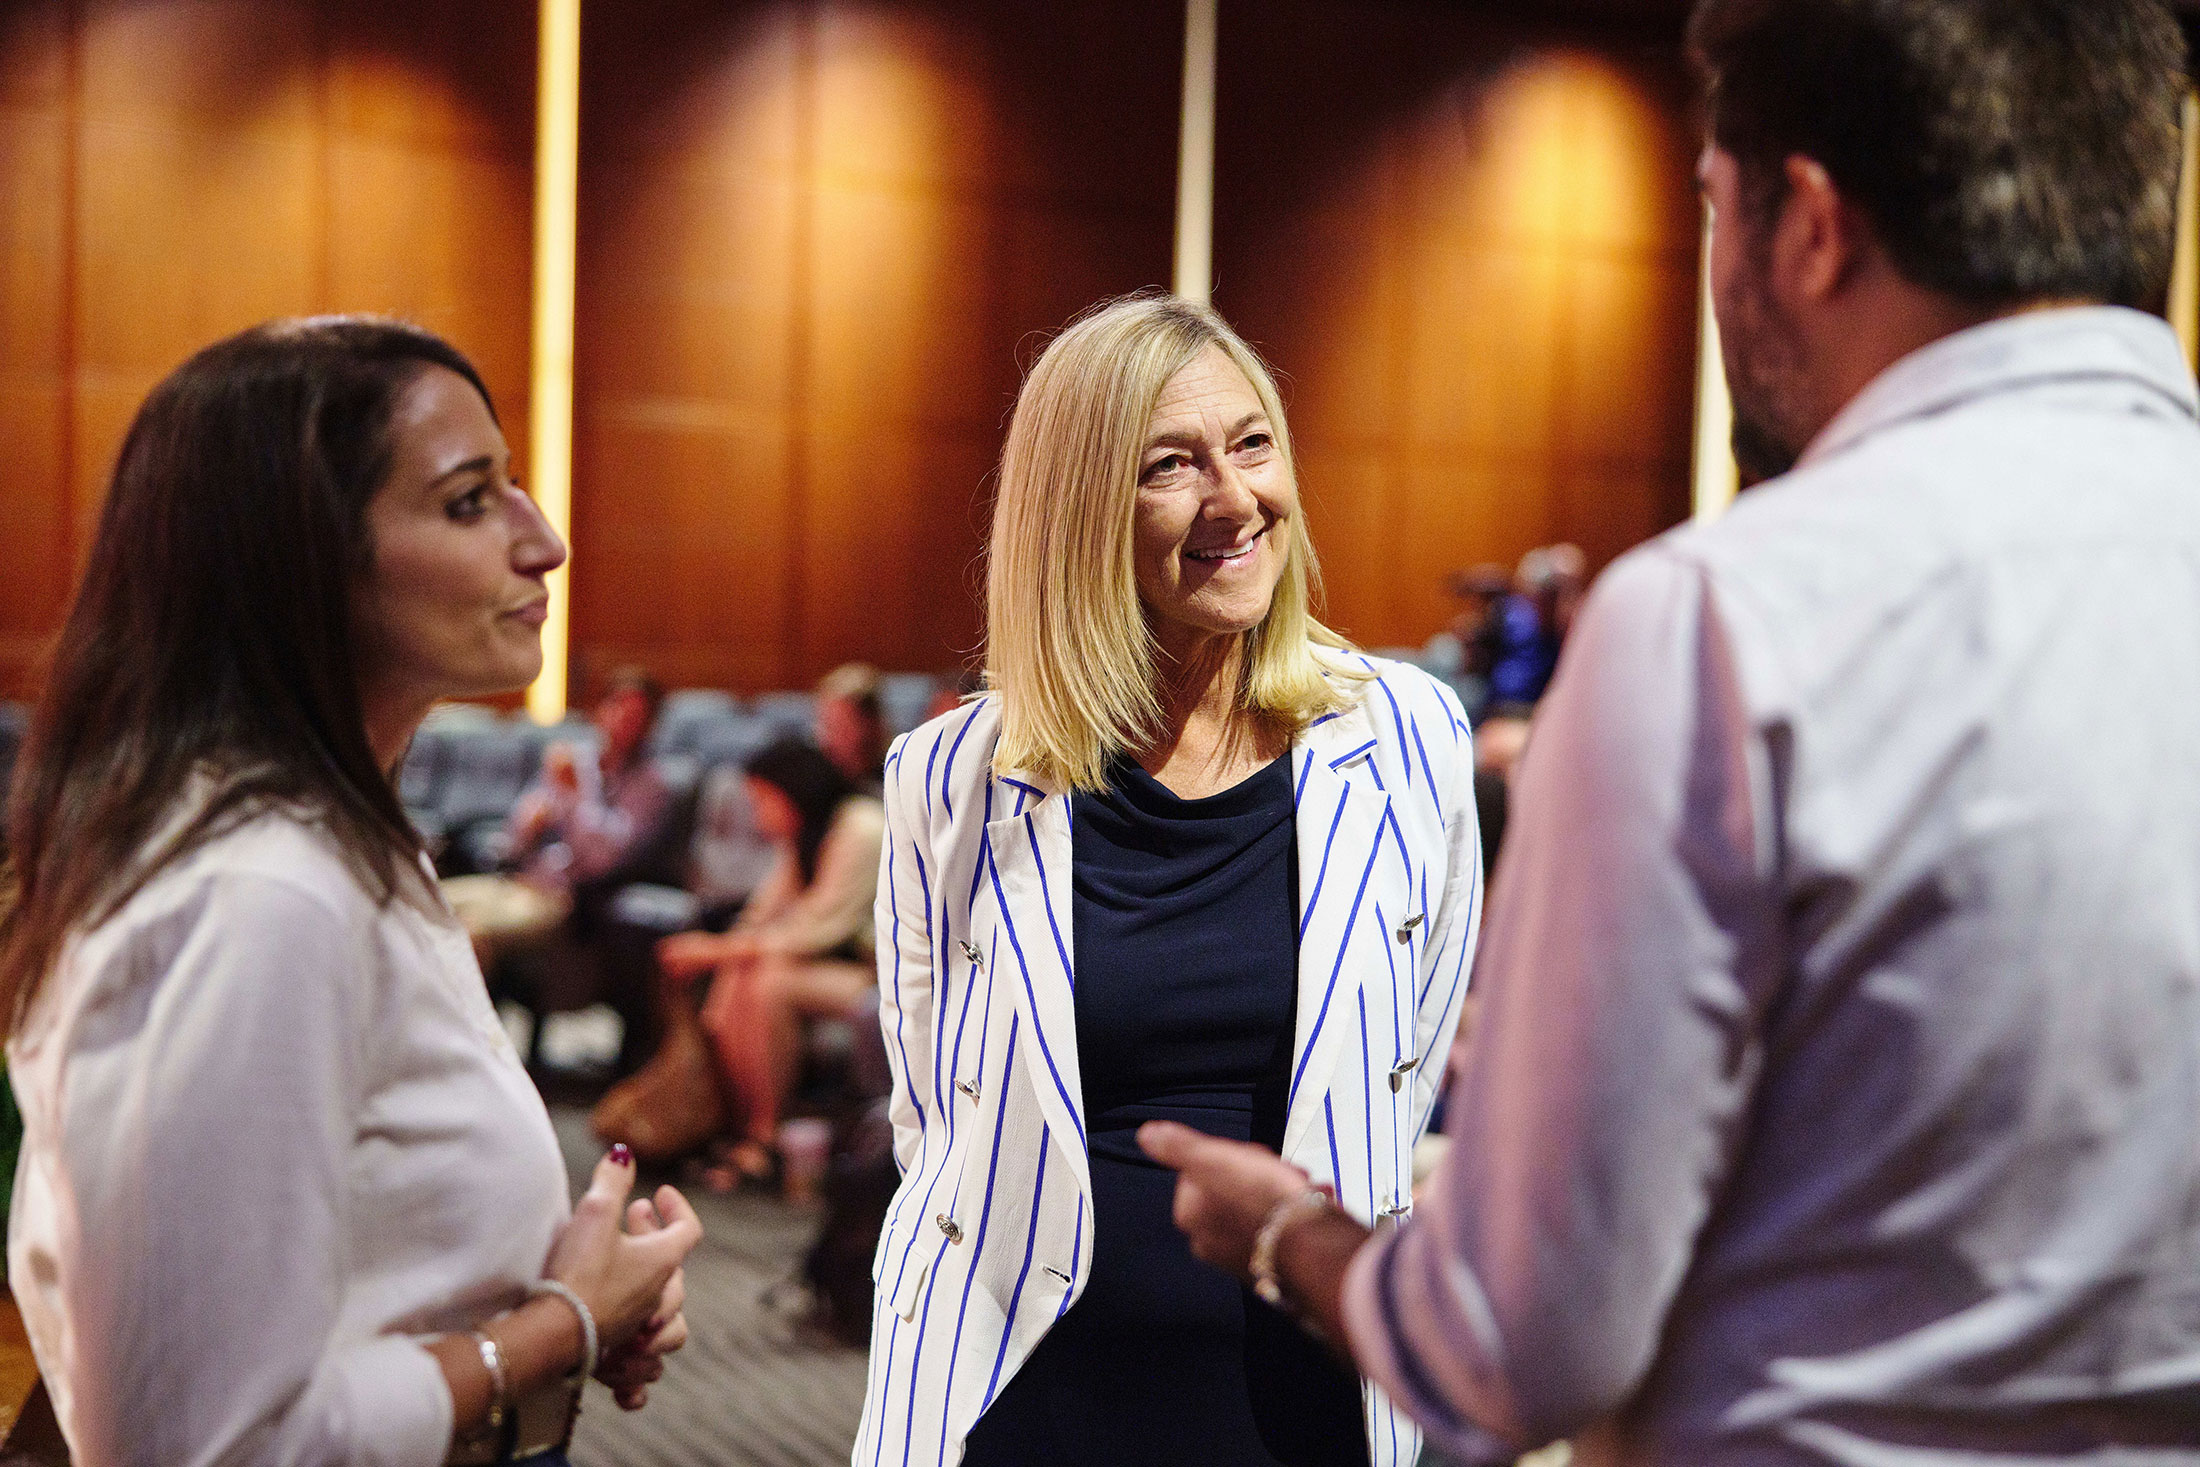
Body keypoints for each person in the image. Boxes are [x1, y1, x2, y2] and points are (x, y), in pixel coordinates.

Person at [1145, 3, 2200, 1464]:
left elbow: (1514, 1347)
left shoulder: (1727, 620)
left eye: (1710, 203)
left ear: (1809, 226)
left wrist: (1290, 1239)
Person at [0, 317, 704, 1465]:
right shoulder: (255, 892)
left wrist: (575, 1299)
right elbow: (201, 1442)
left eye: (516, 488)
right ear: (300, 559)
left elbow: (364, 1271)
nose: (547, 542)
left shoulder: (339, 842)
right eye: (471, 501)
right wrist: (557, 1325)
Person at [856, 294, 1481, 1467]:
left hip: (1302, 1393)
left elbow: (1401, 1072)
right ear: (1081, 509)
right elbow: (934, 1122)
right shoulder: (944, 780)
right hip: (1022, 1393)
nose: (1236, 499)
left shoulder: (1410, 738)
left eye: (1252, 445)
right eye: (1171, 465)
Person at [591, 738, 883, 1176]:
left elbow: (818, 930)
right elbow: (763, 915)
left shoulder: (860, 827)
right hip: (828, 964)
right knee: (746, 973)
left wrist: (712, 951)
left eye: (762, 800)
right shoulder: (806, 833)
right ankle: (735, 1127)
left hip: (883, 973)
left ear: (793, 791)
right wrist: (723, 961)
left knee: (770, 982)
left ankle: (764, 1135)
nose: (759, 816)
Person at [814, 661, 889, 789]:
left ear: (872, 725)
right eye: (826, 726)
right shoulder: (814, 780)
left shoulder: (900, 777)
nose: (826, 741)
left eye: (839, 728)